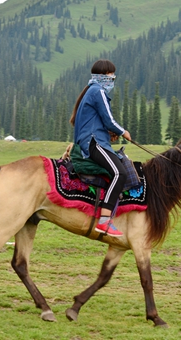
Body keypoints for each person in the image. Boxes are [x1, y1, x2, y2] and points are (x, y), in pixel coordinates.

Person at [69, 59, 132, 237]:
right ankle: (104, 220)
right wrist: (122, 131)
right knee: (120, 173)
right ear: (103, 76)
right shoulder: (99, 92)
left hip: (93, 139)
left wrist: (109, 132)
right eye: (111, 75)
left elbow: (97, 121)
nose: (113, 78)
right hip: (94, 141)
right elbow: (108, 119)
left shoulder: (91, 90)